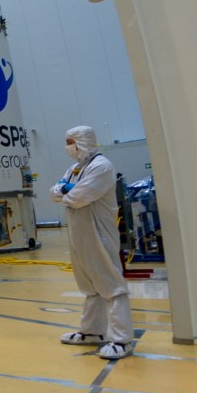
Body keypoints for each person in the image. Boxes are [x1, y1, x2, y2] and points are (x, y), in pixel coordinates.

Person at [51, 125, 133, 360]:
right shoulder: (75, 169)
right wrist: (66, 189)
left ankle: (121, 339)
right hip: (78, 233)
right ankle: (93, 331)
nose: (68, 147)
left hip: (99, 233)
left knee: (110, 284)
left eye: (70, 141)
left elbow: (78, 198)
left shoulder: (101, 166)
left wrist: (66, 192)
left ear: (82, 141)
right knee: (89, 284)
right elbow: (54, 192)